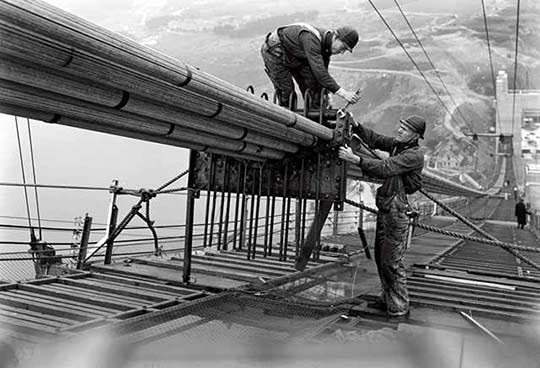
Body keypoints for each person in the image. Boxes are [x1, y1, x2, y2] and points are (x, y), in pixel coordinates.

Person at [338, 115, 426, 320]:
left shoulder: (414, 155)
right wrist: (356, 125)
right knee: (381, 258)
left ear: (415, 135)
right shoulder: (399, 146)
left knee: (391, 262)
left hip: (397, 213)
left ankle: (399, 307)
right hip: (388, 209)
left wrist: (355, 159)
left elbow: (386, 168)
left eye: (405, 128)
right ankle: (388, 298)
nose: (400, 130)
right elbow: (376, 139)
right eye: (401, 126)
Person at [261, 23, 361, 108]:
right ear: (335, 37)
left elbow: (322, 72)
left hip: (296, 55)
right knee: (287, 91)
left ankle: (317, 119)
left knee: (313, 87)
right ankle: (284, 118)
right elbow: (320, 73)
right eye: (343, 47)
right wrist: (344, 93)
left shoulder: (326, 46)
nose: (342, 52)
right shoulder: (311, 39)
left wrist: (326, 94)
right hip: (275, 53)